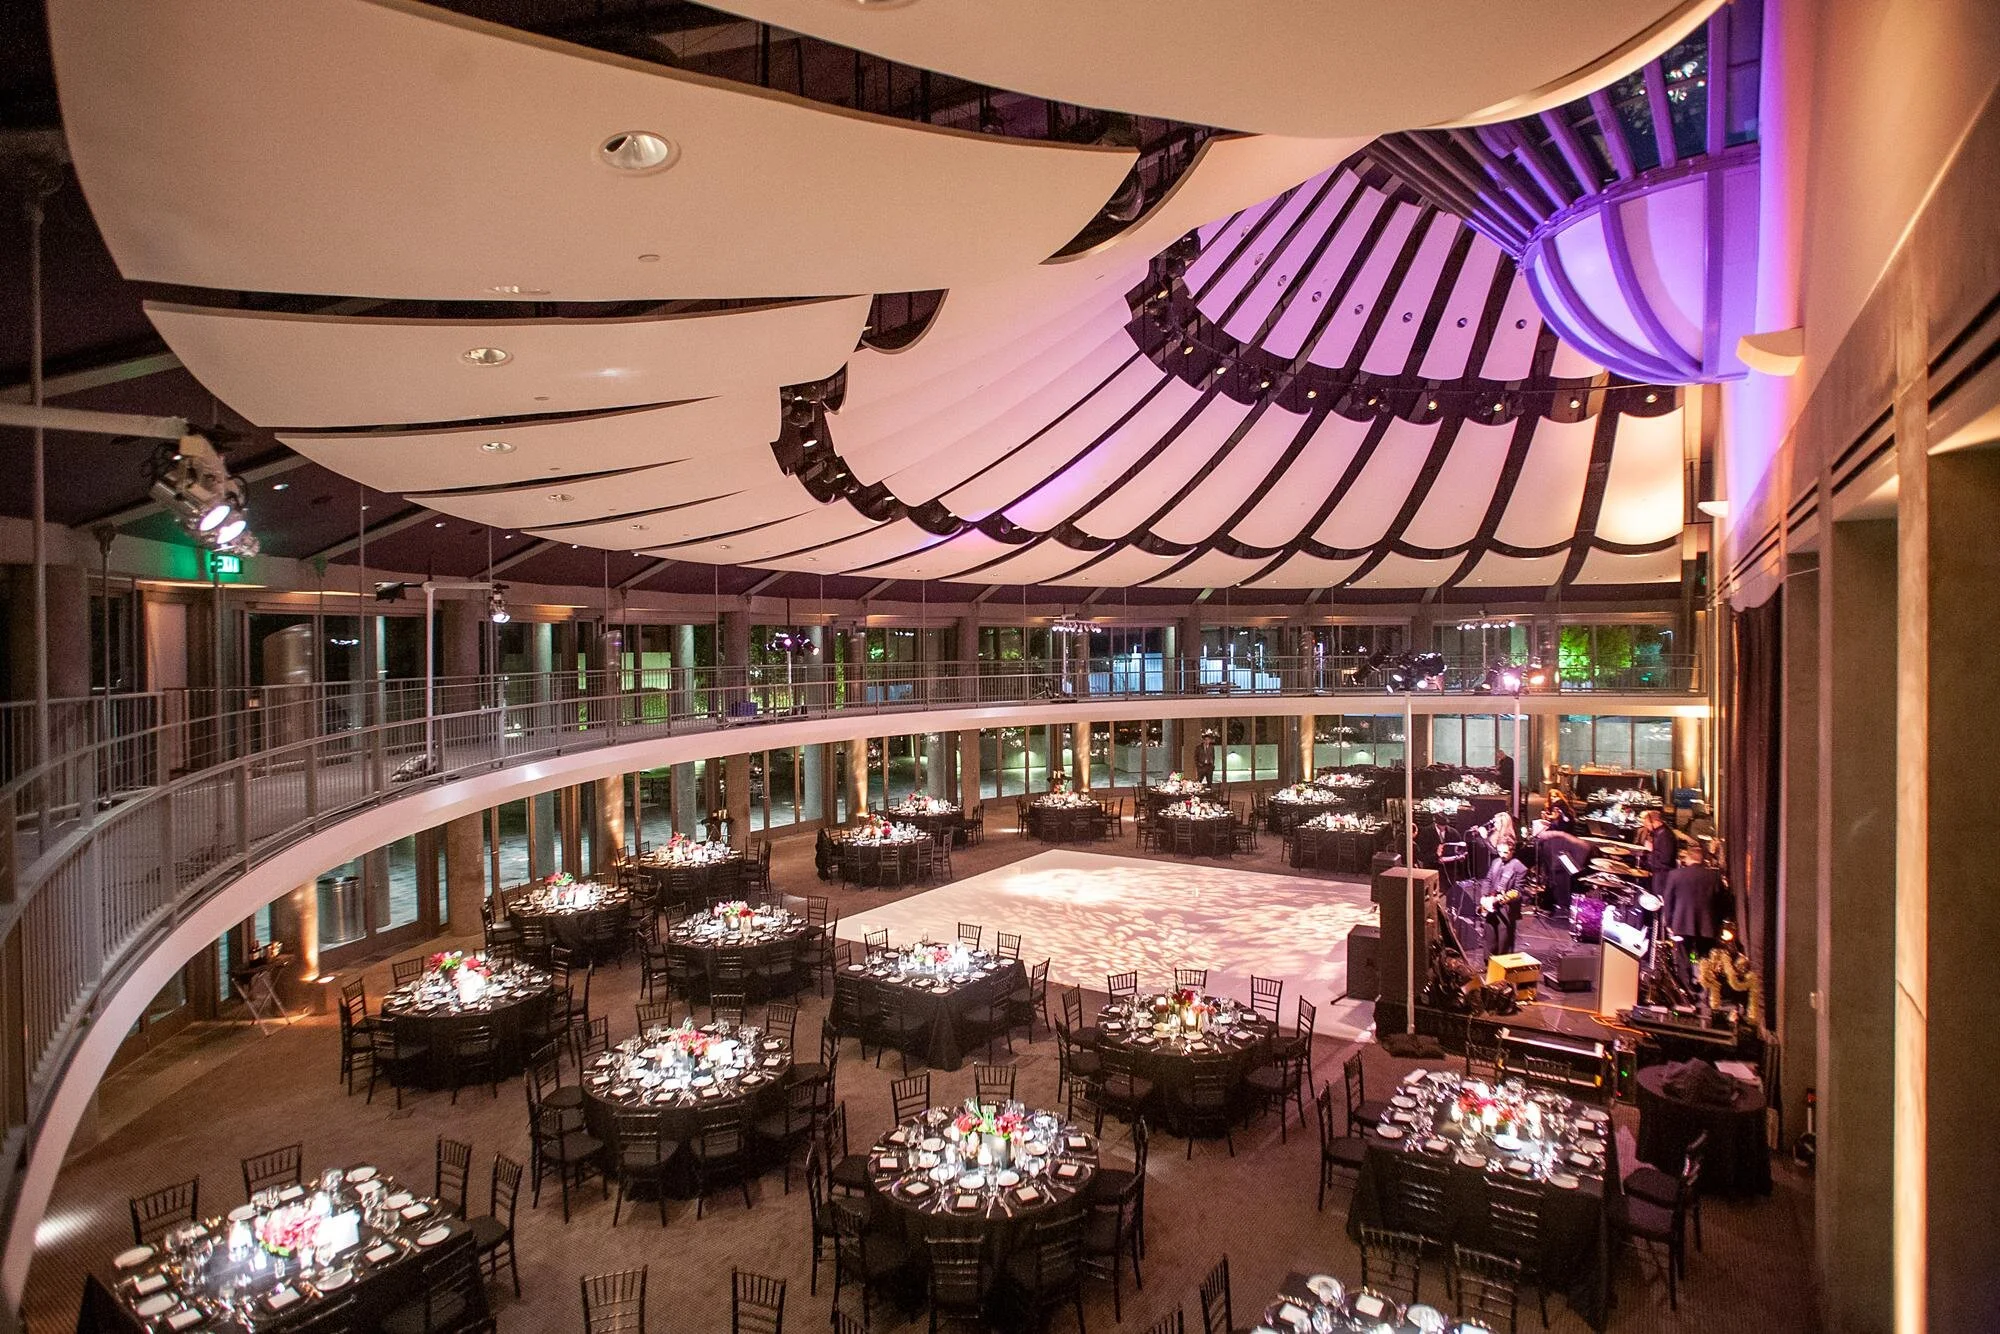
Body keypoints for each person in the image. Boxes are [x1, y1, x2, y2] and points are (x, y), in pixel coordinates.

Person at [1661, 845, 1729, 963]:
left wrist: (1669, 922)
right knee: (1705, 959)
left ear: (1688, 858)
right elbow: (1721, 903)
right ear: (1702, 859)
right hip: (1707, 925)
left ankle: (1686, 979)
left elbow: (1668, 900)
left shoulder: (1675, 875)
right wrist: (1719, 924)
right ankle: (1700, 977)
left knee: (1684, 958)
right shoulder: (1714, 877)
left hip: (1682, 923)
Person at [1478, 837, 1528, 955]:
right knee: (1489, 936)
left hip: (1506, 909)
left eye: (1505, 852)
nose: (1502, 855)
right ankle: (1488, 964)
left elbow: (1518, 891)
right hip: (1491, 903)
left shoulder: (1520, 868)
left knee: (1504, 940)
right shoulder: (1496, 862)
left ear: (1512, 851)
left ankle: (1502, 966)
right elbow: (1488, 880)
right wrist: (1484, 896)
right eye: (1499, 851)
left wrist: (1504, 898)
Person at [1641, 808, 1678, 877]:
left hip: (1663, 874)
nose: (1647, 827)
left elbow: (1665, 859)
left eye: (1647, 825)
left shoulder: (1665, 835)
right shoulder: (1660, 833)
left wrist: (1651, 851)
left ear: (1656, 822)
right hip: (1659, 871)